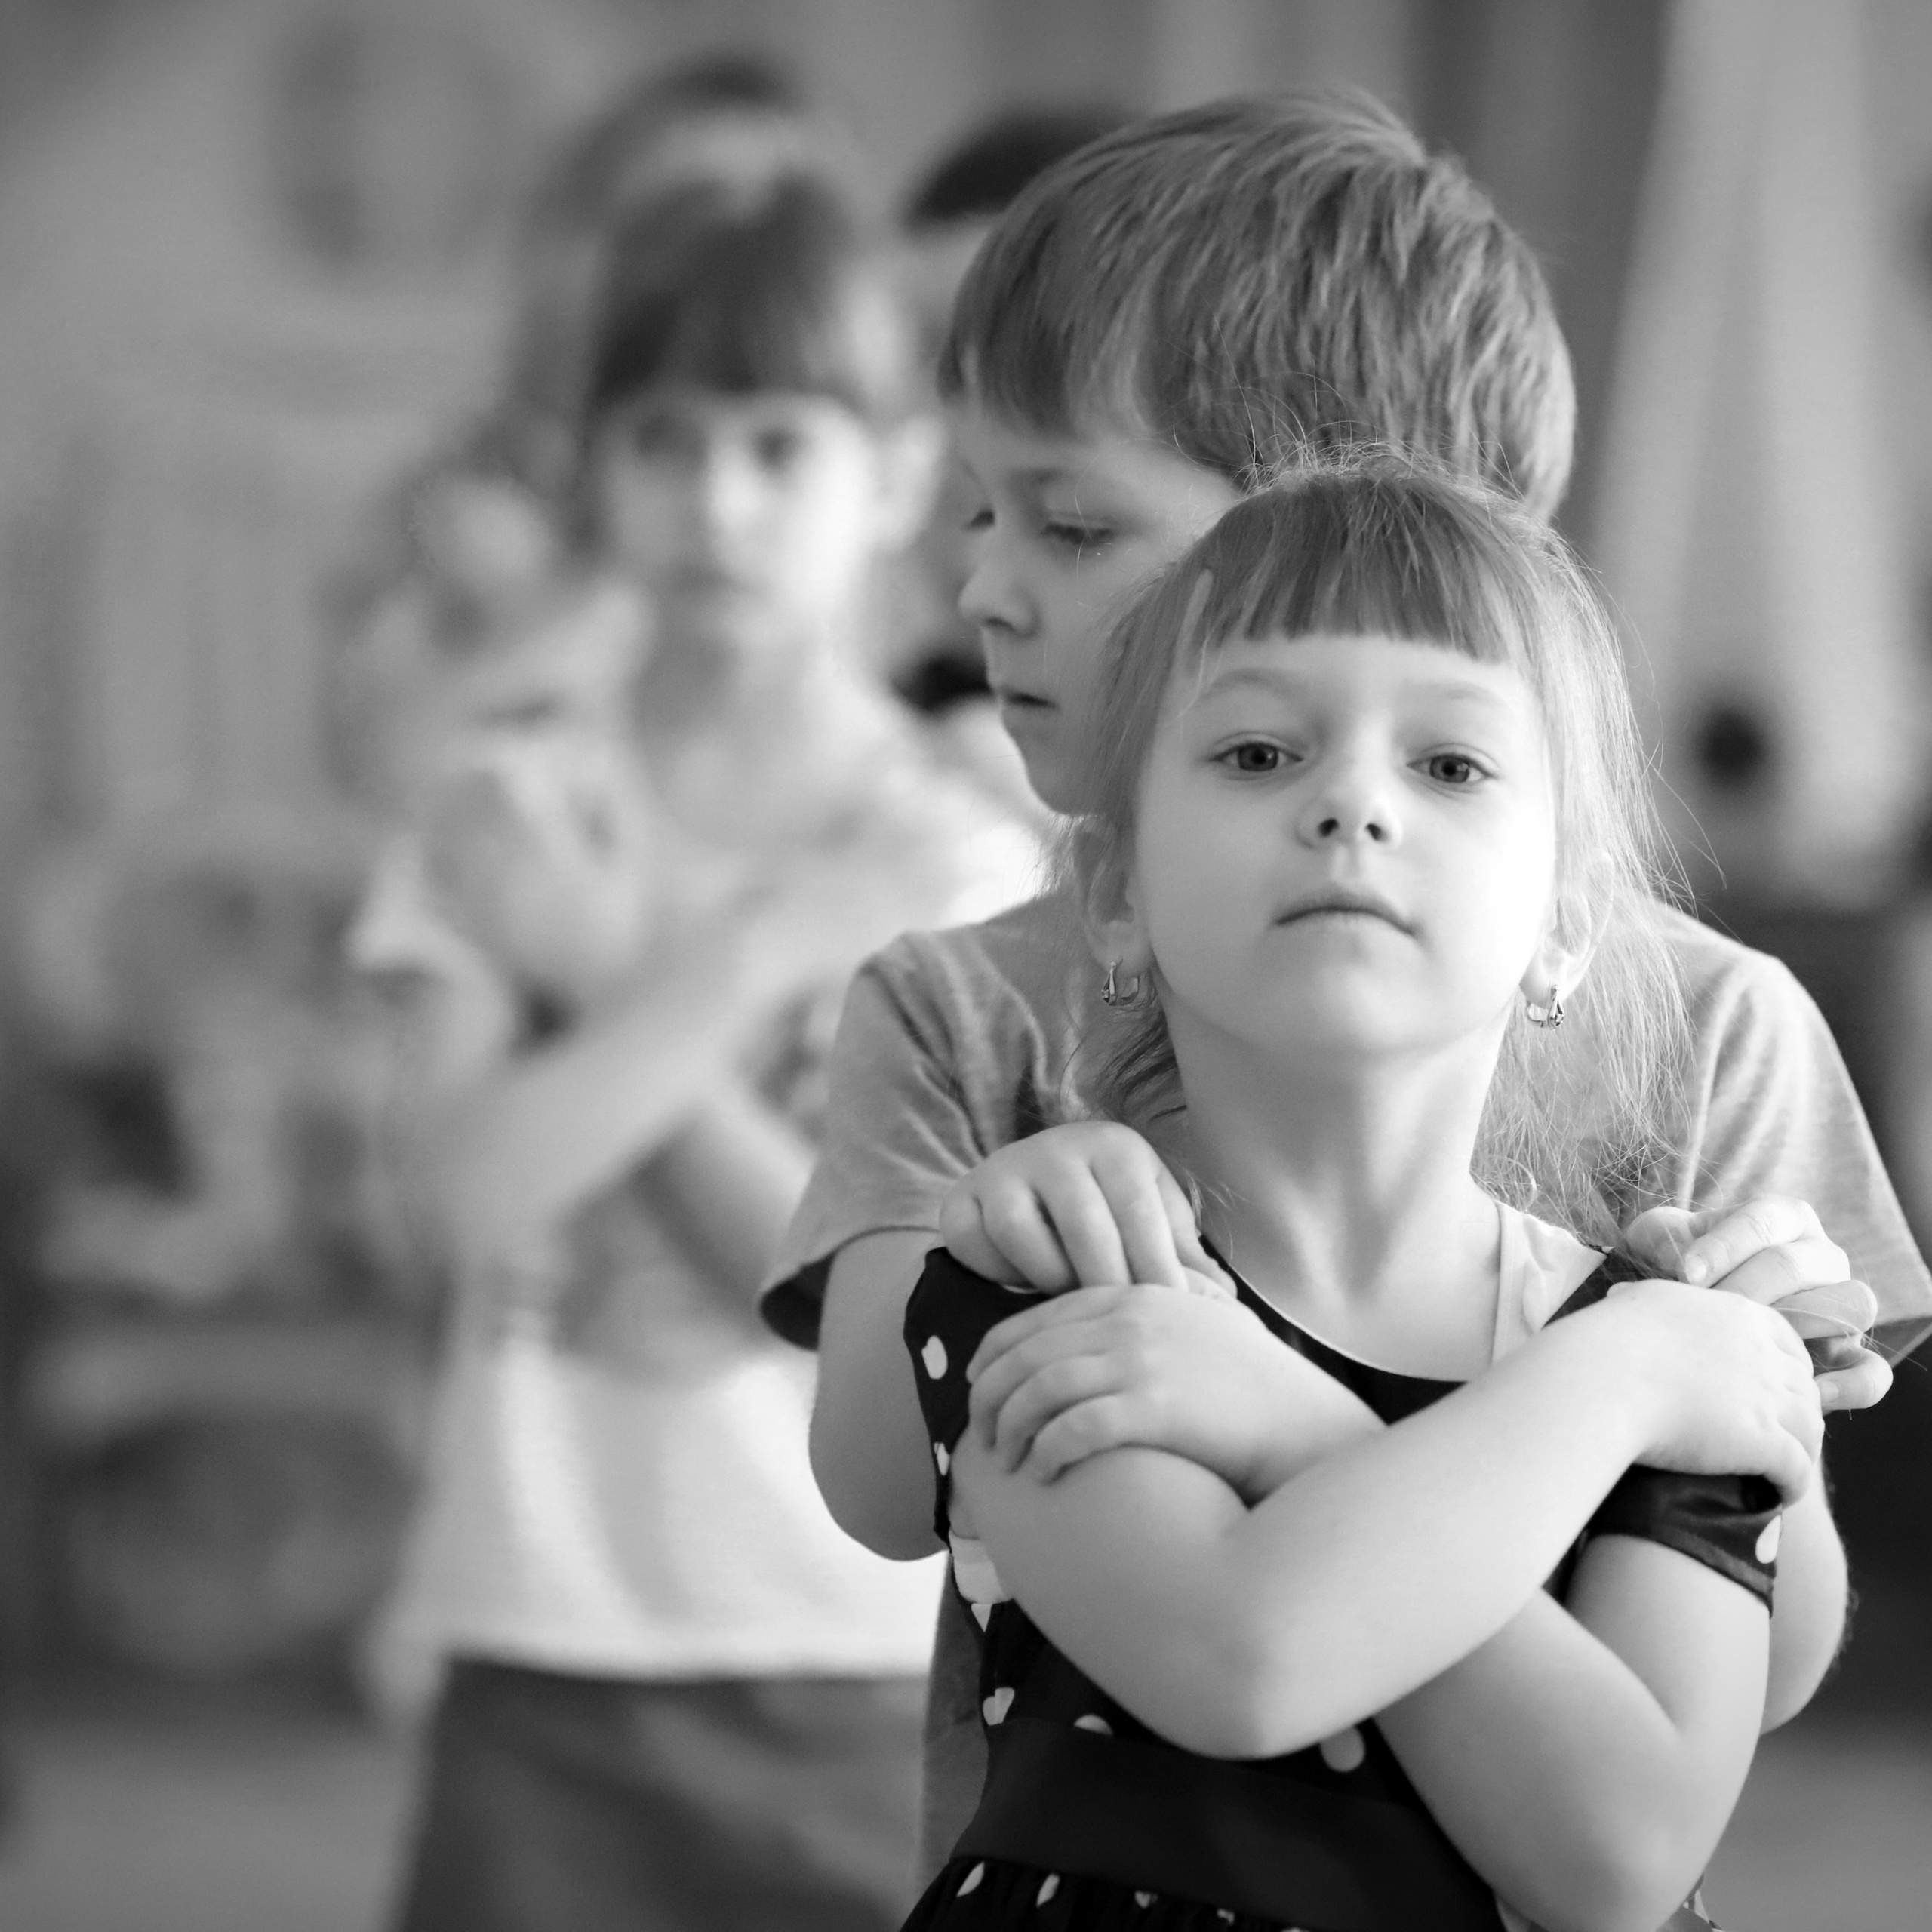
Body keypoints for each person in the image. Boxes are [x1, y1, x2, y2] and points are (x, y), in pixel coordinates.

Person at [765, 91, 1929, 1885]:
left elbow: (1763, 1655)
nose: (977, 583)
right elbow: (873, 1481)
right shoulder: (955, 1000)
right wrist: (999, 1233)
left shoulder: (1712, 1022)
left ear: (1356, 525)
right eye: (976, 507)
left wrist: (1726, 1368)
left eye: (1067, 524)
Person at [900, 454, 1827, 1930]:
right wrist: (1621, 1380)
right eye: (1259, 752)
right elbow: (1240, 1657)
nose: (1349, 802)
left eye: (1447, 763)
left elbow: (1616, 1853)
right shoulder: (1053, 1273)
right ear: (1115, 895)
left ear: (1564, 921)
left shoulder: (1657, 1344)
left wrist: (1284, 1423)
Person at [368, 162, 1035, 1932]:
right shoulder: (503, 805)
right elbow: (453, 1192)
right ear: (593, 464)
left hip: (867, 1644)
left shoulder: (952, 852)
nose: (717, 501)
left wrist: (592, 981)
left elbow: (875, 1321)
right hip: (538, 1625)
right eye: (665, 439)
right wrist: (746, 953)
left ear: (898, 477)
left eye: (779, 444)